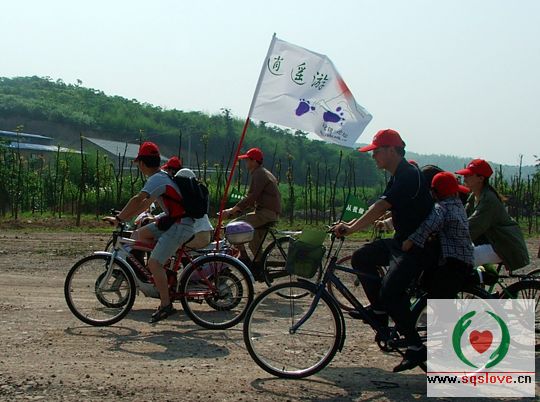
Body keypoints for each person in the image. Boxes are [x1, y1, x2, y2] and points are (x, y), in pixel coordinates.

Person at [332, 128, 434, 372]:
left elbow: (381, 206)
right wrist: (353, 224)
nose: (373, 156)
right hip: (401, 242)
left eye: (376, 151)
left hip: (416, 247)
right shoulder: (397, 175)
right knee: (361, 257)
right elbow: (385, 207)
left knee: (390, 293)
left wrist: (351, 228)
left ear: (391, 150)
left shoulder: (408, 175)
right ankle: (378, 312)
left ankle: (415, 347)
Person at [104, 142, 194, 323]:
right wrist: (126, 218)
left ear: (143, 163)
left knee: (154, 263)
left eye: (138, 163)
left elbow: (137, 199)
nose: (138, 167)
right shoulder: (160, 177)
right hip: (173, 222)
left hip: (180, 225)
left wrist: (119, 219)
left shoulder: (157, 179)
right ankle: (157, 271)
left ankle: (166, 304)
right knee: (140, 234)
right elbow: (144, 205)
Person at [402, 172, 474, 298]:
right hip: (465, 259)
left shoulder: (442, 207)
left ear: (435, 192)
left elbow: (429, 225)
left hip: (452, 262)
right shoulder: (458, 205)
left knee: (438, 296)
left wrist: (410, 241)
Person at [455, 159, 529, 271]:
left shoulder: (488, 200)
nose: (464, 177)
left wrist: (452, 236)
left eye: (469, 175)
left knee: (464, 258)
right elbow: (463, 219)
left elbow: (474, 225)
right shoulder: (474, 197)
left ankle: (477, 281)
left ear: (481, 179)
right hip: (494, 241)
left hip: (504, 245)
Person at [221, 147, 281, 278]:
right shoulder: (263, 172)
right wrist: (240, 208)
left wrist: (232, 210)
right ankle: (260, 268)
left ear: (254, 161)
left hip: (265, 214)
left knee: (233, 227)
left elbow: (252, 196)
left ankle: (244, 259)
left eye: (247, 160)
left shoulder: (259, 174)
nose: (246, 163)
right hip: (268, 212)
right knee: (254, 242)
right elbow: (255, 198)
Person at [175, 168, 214, 249]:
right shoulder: (198, 196)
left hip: (196, 237)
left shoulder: (185, 197)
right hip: (207, 235)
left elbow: (173, 212)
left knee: (164, 243)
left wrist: (156, 218)